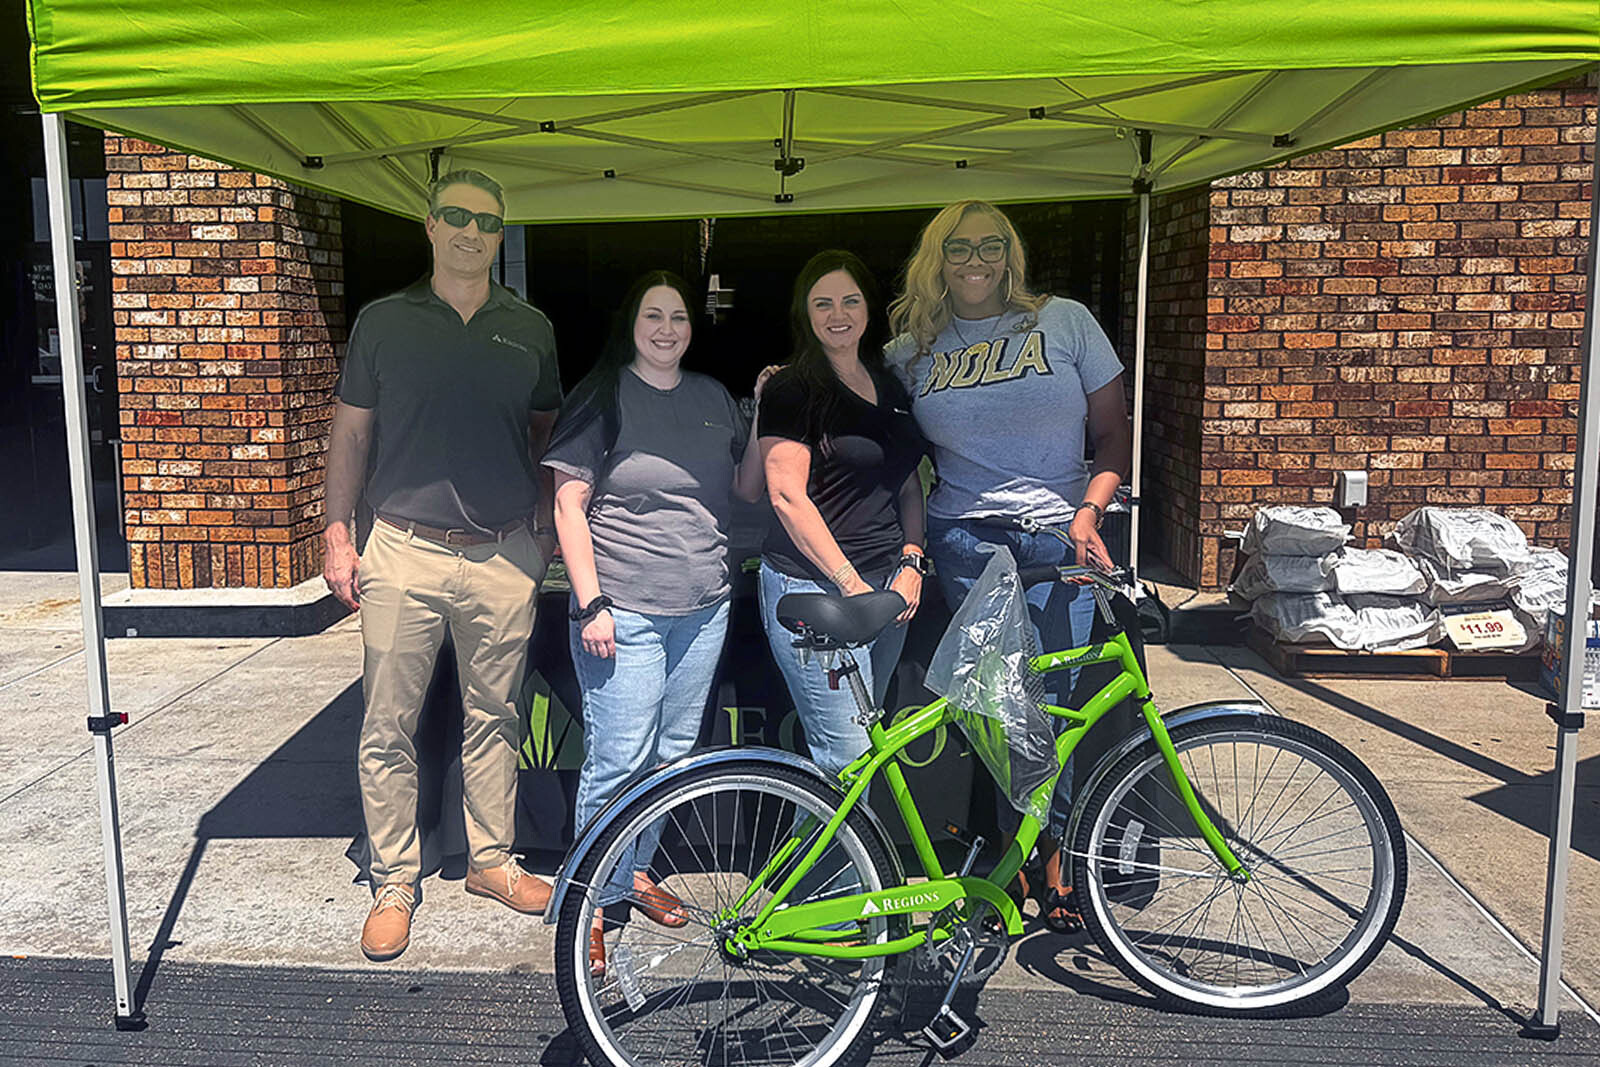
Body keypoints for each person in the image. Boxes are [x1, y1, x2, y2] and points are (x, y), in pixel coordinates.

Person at [323, 169, 562, 963]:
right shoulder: (383, 322)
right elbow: (351, 433)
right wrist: (336, 533)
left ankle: (491, 859)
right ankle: (394, 879)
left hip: (502, 553)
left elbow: (545, 432)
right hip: (404, 548)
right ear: (429, 226)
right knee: (387, 723)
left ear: (501, 234)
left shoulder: (529, 327)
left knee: (496, 717)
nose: (471, 232)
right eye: (456, 216)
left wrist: (541, 531)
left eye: (487, 221)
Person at [885, 199, 1131, 931]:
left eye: (991, 245)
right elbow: (851, 401)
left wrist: (1088, 511)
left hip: (1060, 537)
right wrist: (786, 378)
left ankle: (1055, 858)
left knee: (1055, 707)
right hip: (967, 541)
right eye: (959, 247)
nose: (976, 260)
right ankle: (1007, 861)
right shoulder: (909, 351)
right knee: (997, 706)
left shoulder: (1066, 322)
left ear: (1011, 254)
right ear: (938, 258)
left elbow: (1114, 435)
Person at [542, 271, 770, 977]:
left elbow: (744, 487)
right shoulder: (602, 395)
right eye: (653, 315)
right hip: (625, 612)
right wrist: (592, 603)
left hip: (704, 607)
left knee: (670, 757)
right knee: (617, 761)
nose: (667, 329)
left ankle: (633, 872)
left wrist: (762, 413)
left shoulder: (710, 398)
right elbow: (567, 505)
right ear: (631, 323)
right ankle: (589, 906)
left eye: (678, 317)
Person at [758, 250, 928, 778]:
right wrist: (851, 586)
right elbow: (786, 496)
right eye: (823, 303)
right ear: (804, 313)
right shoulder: (792, 388)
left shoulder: (889, 384)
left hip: (887, 585)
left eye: (850, 301)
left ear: (868, 308)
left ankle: (825, 837)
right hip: (817, 588)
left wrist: (912, 560)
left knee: (859, 757)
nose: (839, 315)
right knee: (847, 758)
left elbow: (908, 482)